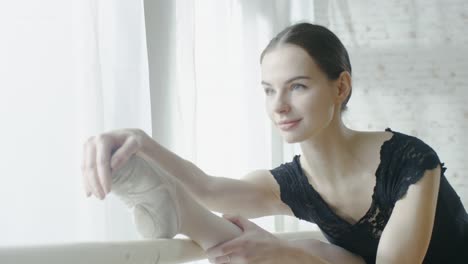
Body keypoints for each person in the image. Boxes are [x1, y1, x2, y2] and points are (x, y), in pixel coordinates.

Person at [81, 23, 468, 264]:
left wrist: (287, 255)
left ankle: (180, 211)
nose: (279, 106)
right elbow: (213, 191)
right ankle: (180, 213)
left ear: (341, 87)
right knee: (295, 251)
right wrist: (141, 144)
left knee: (302, 253)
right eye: (268, 91)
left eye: (297, 86)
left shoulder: (412, 162)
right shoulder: (294, 184)